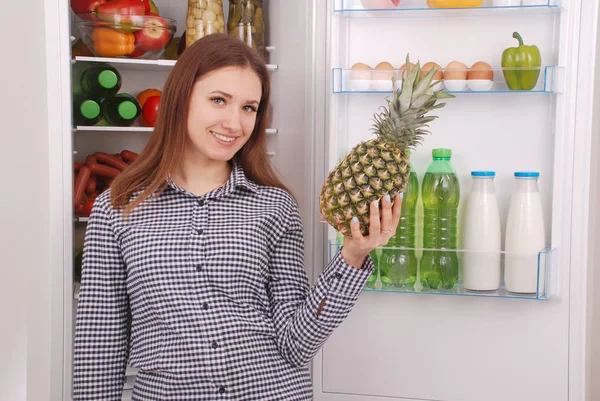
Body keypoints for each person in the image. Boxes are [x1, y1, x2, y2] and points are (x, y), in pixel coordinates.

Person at [72, 33, 402, 401]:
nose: (234, 123)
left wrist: (352, 256)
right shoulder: (117, 208)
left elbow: (296, 344)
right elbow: (99, 345)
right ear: (180, 98)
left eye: (249, 107)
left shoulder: (274, 206)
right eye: (218, 100)